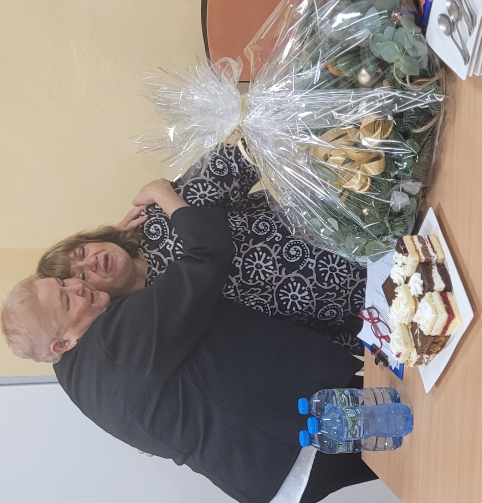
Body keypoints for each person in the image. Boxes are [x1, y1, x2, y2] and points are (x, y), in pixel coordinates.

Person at [0, 178, 377, 503]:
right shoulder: (116, 337)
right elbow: (208, 252)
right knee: (410, 430)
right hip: (302, 431)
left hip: (275, 468)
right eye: (67, 299)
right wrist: (163, 194)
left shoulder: (77, 380)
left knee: (407, 450)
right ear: (61, 342)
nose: (78, 286)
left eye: (64, 283)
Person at [36, 145, 366, 355]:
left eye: (82, 252)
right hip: (349, 317)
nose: (93, 262)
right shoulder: (160, 315)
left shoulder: (160, 219)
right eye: (82, 276)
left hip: (352, 235)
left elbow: (241, 158)